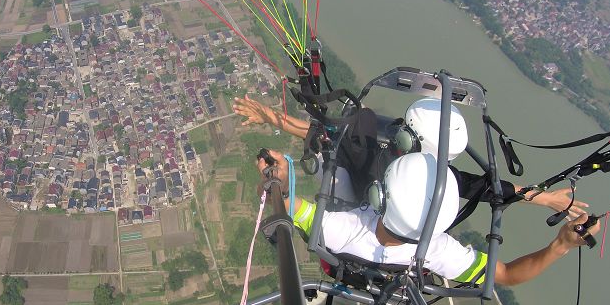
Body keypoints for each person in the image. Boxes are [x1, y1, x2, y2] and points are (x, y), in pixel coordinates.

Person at [256, 149, 596, 285]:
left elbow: (287, 208)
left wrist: (280, 178)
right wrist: (560, 245)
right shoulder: (436, 251)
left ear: (379, 196)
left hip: (346, 261)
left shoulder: (340, 229)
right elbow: (505, 274)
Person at [235, 94, 586, 219]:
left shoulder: (373, 150)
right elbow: (495, 189)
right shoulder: (440, 178)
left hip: (363, 200)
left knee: (359, 122)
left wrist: (271, 118)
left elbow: (316, 133)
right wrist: (548, 200)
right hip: (370, 213)